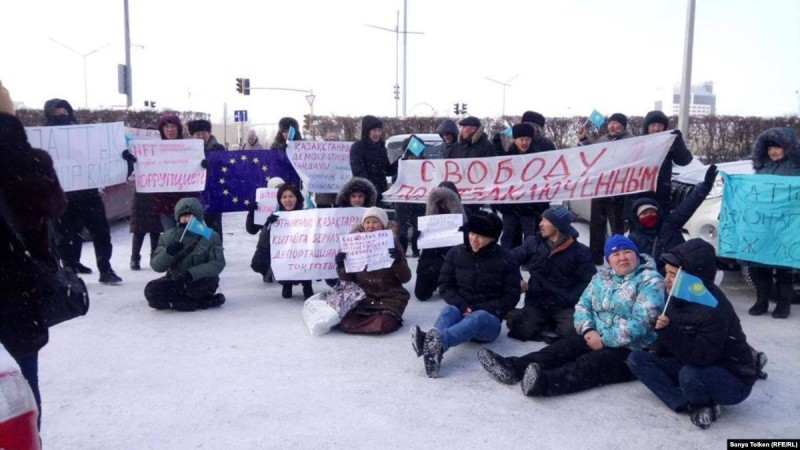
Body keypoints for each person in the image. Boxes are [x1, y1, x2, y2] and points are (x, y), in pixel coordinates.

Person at [478, 235, 664, 397]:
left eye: (627, 252)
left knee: (589, 364)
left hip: (632, 348)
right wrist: (588, 330)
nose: (622, 257)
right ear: (609, 259)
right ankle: (513, 367)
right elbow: (583, 305)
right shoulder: (602, 278)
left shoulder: (650, 281)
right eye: (616, 254)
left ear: (636, 254)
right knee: (560, 349)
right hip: (595, 334)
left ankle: (544, 383)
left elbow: (643, 322)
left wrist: (604, 339)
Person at [627, 239, 760, 430]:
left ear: (693, 278)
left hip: (731, 377)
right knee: (638, 359)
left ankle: (703, 402)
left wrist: (668, 331)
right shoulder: (676, 294)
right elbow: (675, 339)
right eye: (666, 273)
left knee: (690, 374)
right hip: (690, 362)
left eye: (673, 275)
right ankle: (688, 403)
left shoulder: (713, 307)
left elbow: (702, 357)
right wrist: (657, 344)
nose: (666, 280)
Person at [0, 111, 68, 429]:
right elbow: (58, 207)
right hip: (21, 287)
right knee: (25, 378)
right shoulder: (35, 165)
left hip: (15, 286)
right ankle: (28, 439)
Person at [412, 210, 521, 378]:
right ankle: (434, 350)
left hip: (488, 321)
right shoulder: (456, 253)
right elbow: (445, 285)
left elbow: (511, 296)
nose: (474, 239)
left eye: (481, 236)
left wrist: (479, 308)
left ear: (493, 238)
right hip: (461, 309)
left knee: (478, 317)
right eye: (472, 234)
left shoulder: (506, 259)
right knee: (449, 310)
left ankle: (433, 342)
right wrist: (462, 305)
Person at [44, 98, 122, 284]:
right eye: (57, 109)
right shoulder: (43, 136)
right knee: (64, 237)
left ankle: (105, 269)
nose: (62, 112)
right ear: (49, 112)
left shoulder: (83, 133)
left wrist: (121, 157)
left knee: (101, 233)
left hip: (88, 194)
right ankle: (69, 271)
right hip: (62, 197)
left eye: (65, 108)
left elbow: (102, 154)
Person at [505, 206, 596, 342]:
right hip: (537, 301)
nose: (540, 224)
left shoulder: (580, 251)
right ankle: (531, 318)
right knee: (522, 330)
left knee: (573, 332)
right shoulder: (533, 242)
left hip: (564, 305)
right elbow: (509, 260)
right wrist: (517, 280)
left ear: (558, 225)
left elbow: (588, 281)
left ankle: (547, 322)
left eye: (545, 220)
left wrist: (570, 297)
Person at [747, 127, 800, 318]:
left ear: (788, 147)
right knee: (760, 264)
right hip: (764, 224)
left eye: (777, 147)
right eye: (769, 148)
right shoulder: (762, 168)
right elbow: (752, 192)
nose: (773, 152)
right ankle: (761, 301)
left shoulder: (796, 168)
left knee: (783, 265)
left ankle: (783, 304)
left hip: (787, 224)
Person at [335, 207, 411, 334]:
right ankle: (369, 324)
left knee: (384, 323)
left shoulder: (393, 245)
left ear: (383, 225)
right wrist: (341, 266)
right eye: (367, 222)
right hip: (363, 297)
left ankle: (374, 323)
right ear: (363, 225)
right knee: (345, 321)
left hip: (390, 298)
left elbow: (405, 278)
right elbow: (348, 281)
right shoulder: (353, 245)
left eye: (375, 222)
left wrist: (398, 262)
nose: (371, 226)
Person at [628, 164, 717, 273]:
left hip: (677, 276)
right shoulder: (633, 239)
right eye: (644, 213)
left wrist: (706, 186)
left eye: (652, 212)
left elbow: (689, 205)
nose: (649, 215)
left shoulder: (671, 225)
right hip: (650, 280)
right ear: (638, 218)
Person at [145, 197, 226, 311]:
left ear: (198, 217)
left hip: (202, 280)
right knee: (151, 290)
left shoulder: (210, 236)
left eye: (191, 217)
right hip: (177, 280)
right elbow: (156, 266)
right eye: (184, 217)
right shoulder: (168, 237)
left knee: (195, 290)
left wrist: (191, 274)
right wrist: (168, 253)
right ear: (178, 217)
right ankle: (189, 302)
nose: (187, 220)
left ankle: (181, 301)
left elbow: (217, 264)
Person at [578, 113, 636, 265]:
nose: (611, 126)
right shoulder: (603, 139)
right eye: (610, 123)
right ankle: (595, 257)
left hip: (618, 192)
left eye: (615, 123)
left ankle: (619, 258)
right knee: (596, 225)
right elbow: (593, 154)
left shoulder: (631, 140)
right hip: (600, 189)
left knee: (617, 228)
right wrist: (584, 139)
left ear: (623, 125)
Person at [247, 182, 315, 299]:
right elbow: (255, 233)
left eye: (291, 196)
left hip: (303, 252)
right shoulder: (275, 216)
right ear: (280, 200)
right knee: (281, 259)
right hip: (284, 252)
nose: (288, 200)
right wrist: (268, 225)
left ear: (297, 198)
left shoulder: (307, 214)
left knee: (304, 257)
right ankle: (286, 283)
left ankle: (307, 284)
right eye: (284, 197)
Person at [497, 122, 555, 249]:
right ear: (515, 139)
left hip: (530, 207)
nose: (524, 143)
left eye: (527, 139)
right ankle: (508, 257)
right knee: (508, 237)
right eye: (521, 139)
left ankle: (531, 258)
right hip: (510, 207)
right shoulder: (506, 157)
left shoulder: (538, 158)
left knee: (531, 238)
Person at [625, 111, 693, 217]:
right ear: (647, 127)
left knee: (661, 224)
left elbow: (684, 161)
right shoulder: (638, 144)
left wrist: (678, 144)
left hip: (661, 194)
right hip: (638, 194)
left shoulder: (669, 143)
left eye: (660, 125)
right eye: (653, 125)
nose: (657, 128)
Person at [414, 182, 464, 301]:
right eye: (441, 200)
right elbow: (418, 247)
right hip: (432, 259)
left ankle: (448, 282)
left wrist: (464, 232)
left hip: (456, 260)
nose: (444, 204)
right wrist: (417, 235)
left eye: (448, 200)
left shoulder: (464, 216)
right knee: (421, 294)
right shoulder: (427, 218)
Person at [152, 114, 196, 231]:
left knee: (188, 234)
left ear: (178, 128)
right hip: (164, 202)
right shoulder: (153, 149)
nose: (170, 130)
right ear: (161, 130)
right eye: (166, 127)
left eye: (173, 126)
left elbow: (197, 168)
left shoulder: (190, 147)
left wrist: (202, 164)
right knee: (171, 235)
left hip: (185, 201)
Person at [188, 119, 226, 240]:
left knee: (214, 228)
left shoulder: (218, 148)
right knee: (196, 228)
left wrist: (212, 166)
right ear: (192, 136)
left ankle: (216, 248)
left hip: (213, 194)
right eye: (197, 133)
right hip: (193, 194)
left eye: (203, 133)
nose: (201, 136)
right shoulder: (187, 150)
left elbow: (225, 169)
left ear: (209, 133)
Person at [246, 177, 285, 283]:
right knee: (257, 263)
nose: (279, 190)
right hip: (267, 244)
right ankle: (267, 271)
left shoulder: (291, 203)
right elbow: (252, 230)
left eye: (282, 187)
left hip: (287, 244)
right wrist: (252, 213)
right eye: (277, 188)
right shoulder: (263, 206)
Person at [349, 115, 393, 205]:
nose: (377, 134)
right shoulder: (357, 147)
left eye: (379, 130)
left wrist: (401, 161)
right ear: (367, 131)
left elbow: (387, 170)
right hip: (364, 195)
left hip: (381, 193)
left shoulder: (381, 147)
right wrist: (373, 188)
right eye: (374, 130)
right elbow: (359, 172)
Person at [394, 137, 425, 256]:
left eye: (416, 154)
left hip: (419, 200)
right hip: (403, 200)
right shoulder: (400, 163)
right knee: (401, 229)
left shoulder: (425, 163)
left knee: (418, 227)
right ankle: (402, 251)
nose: (413, 157)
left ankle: (416, 250)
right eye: (410, 154)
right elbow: (395, 179)